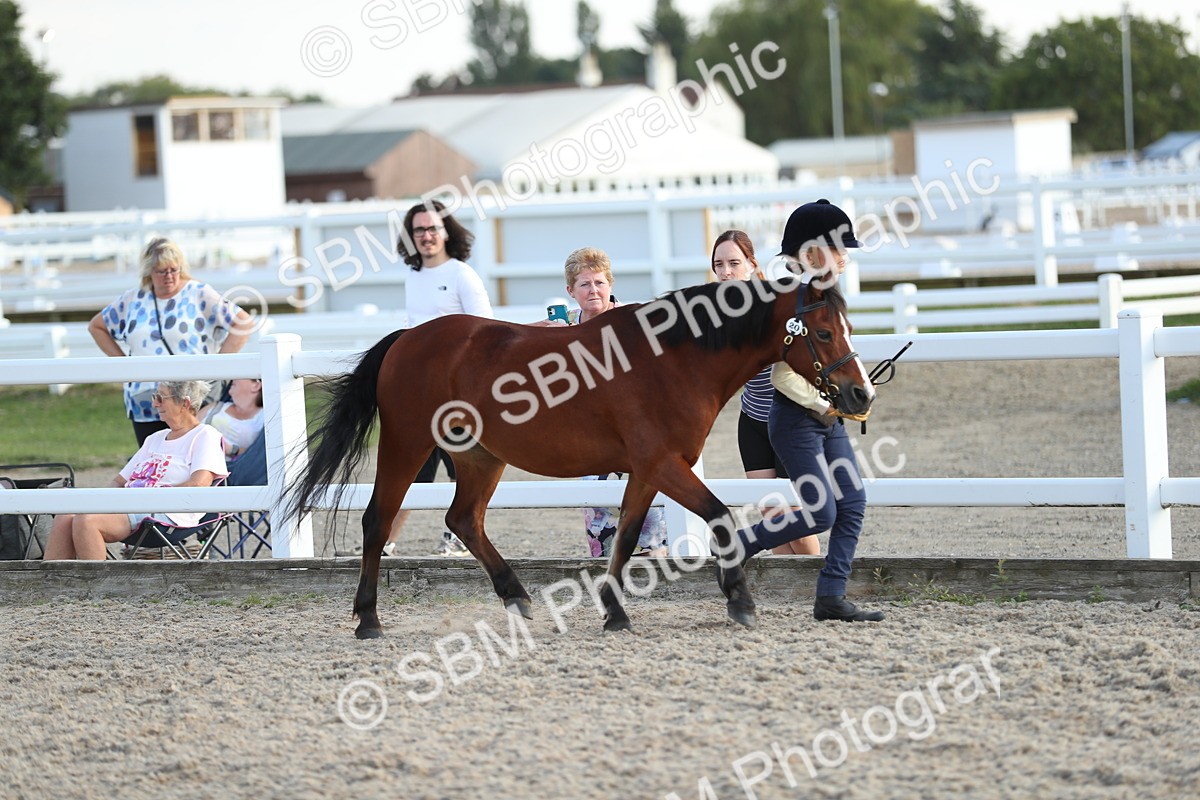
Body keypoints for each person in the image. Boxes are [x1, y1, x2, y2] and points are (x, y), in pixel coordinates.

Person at [731, 200, 884, 622]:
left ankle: (831, 595)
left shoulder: (826, 295)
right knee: (822, 511)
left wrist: (855, 391)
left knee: (852, 503)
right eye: (840, 249)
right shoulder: (785, 301)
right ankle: (742, 544)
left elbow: (841, 352)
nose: (846, 257)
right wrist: (827, 403)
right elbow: (781, 375)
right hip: (795, 420)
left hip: (827, 419)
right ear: (815, 252)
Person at [540, 246, 668, 557]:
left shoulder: (631, 321)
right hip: (588, 433)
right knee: (599, 512)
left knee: (648, 514)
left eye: (599, 282)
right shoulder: (565, 324)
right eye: (584, 284)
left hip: (635, 428)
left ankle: (656, 564)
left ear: (610, 284)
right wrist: (546, 334)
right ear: (570, 291)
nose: (593, 290)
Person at [385, 200, 494, 557]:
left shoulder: (462, 274)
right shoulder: (413, 277)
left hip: (458, 394)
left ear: (446, 231)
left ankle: (462, 536)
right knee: (412, 468)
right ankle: (386, 539)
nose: (427, 236)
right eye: (419, 230)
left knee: (466, 466)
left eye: (433, 228)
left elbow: (485, 330)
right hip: (421, 392)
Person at [710, 230, 819, 557]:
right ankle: (788, 596)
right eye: (719, 264)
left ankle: (821, 585)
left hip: (788, 420)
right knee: (773, 519)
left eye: (733, 262)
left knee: (796, 521)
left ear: (751, 264)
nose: (726, 271)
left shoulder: (773, 301)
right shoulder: (716, 312)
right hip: (752, 422)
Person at [88, 237, 251, 447]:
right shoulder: (133, 299)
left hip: (191, 398)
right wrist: (124, 367)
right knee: (155, 460)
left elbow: (242, 323)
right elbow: (97, 327)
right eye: (161, 271)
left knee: (194, 456)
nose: (169, 276)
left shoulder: (199, 293)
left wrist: (217, 367)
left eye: (174, 269)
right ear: (149, 272)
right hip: (145, 402)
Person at [43, 380, 229, 561]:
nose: (155, 403)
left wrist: (150, 497)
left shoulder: (204, 435)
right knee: (66, 514)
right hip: (132, 505)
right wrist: (100, 501)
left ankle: (97, 591)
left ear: (185, 403)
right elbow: (118, 481)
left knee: (87, 521)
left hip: (166, 514)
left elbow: (199, 483)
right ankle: (48, 587)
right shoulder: (155, 438)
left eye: (161, 398)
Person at [201, 378, 267, 486]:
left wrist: (230, 449)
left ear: (256, 385)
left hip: (232, 473)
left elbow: (261, 456)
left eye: (241, 376)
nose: (234, 378)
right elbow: (189, 426)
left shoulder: (264, 417)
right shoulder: (216, 406)